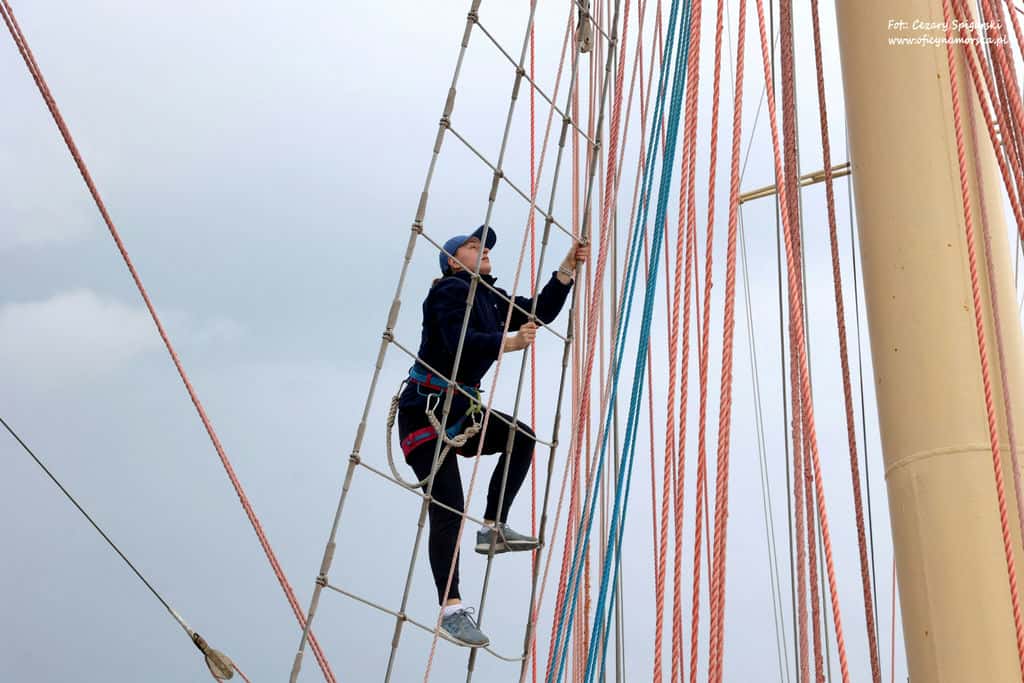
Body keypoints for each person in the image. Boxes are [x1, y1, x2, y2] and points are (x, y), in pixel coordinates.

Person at [396, 224, 588, 648]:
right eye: (471, 245)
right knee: (448, 505)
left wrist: (566, 269)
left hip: (460, 411)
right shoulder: (448, 291)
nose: (482, 249)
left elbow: (539, 311)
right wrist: (510, 342)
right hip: (424, 415)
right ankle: (451, 609)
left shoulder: (490, 297)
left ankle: (493, 526)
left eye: (484, 246)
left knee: (521, 437)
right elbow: (457, 342)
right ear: (452, 261)